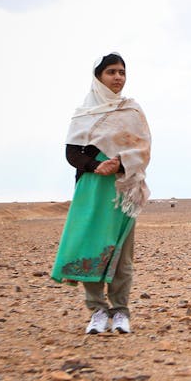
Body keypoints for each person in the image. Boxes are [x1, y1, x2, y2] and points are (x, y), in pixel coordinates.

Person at [51, 53, 152, 334]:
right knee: (91, 248)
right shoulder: (85, 112)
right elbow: (73, 152)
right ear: (98, 77)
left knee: (121, 254)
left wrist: (120, 163)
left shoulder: (131, 111)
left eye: (122, 72)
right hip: (92, 188)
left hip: (122, 189)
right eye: (111, 72)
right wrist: (97, 166)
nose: (118, 77)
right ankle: (97, 310)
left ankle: (120, 312)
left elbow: (143, 148)